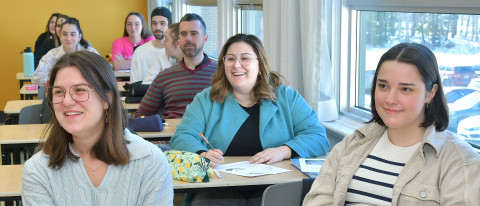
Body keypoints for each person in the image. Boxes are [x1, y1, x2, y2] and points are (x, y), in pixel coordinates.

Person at [303, 43, 480, 205]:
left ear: (430, 93)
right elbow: (316, 201)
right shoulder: (353, 144)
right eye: (383, 86)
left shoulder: (461, 162)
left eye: (406, 89)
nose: (390, 99)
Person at [170, 34, 330, 205]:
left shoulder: (286, 97)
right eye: (230, 59)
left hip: (275, 186)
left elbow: (318, 136)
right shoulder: (206, 99)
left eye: (245, 58)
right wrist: (203, 155)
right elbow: (182, 136)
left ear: (260, 65)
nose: (236, 65)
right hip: (218, 188)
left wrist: (284, 150)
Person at [22, 51, 173, 205]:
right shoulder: (37, 171)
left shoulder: (150, 162)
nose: (67, 101)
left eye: (80, 90)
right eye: (59, 92)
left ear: (107, 98)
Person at [134, 13, 217, 119]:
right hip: (173, 134)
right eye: (183, 34)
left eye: (194, 33)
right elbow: (141, 115)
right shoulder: (164, 77)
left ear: (206, 38)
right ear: (179, 40)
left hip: (210, 134)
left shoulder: (221, 74)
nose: (188, 39)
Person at [33, 17, 99, 85]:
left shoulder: (90, 53)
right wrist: (61, 77)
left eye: (73, 34)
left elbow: (105, 72)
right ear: (60, 37)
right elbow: (36, 78)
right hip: (60, 92)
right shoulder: (52, 55)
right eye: (64, 34)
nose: (68, 38)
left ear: (79, 37)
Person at [130, 7, 173, 83]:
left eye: (162, 23)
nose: (157, 27)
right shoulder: (139, 52)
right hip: (143, 94)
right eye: (154, 23)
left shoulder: (174, 53)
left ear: (169, 26)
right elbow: (134, 84)